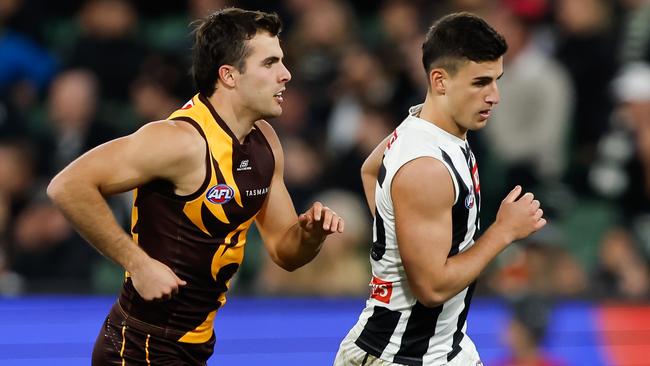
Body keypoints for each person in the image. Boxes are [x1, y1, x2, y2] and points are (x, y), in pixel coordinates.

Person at [47, 8, 344, 365]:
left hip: (194, 348)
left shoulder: (265, 141)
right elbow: (67, 186)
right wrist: (137, 263)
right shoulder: (180, 141)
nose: (286, 74)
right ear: (229, 76)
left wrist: (310, 233)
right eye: (270, 63)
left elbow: (285, 252)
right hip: (140, 346)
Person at [335, 12, 546, 366]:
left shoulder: (429, 127)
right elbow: (431, 289)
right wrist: (503, 231)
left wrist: (398, 235)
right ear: (440, 81)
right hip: (402, 355)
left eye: (497, 80)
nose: (494, 96)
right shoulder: (426, 167)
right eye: (480, 82)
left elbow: (371, 171)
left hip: (444, 347)